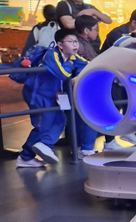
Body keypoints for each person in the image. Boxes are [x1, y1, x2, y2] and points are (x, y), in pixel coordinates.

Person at [16, 28, 98, 168]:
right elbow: (63, 73)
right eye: (70, 42)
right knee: (43, 124)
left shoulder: (72, 57)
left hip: (51, 95)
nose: (75, 45)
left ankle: (44, 146)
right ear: (60, 44)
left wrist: (78, 74)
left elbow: (88, 66)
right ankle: (25, 156)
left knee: (60, 120)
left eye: (76, 42)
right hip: (37, 94)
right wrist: (69, 66)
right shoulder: (51, 55)